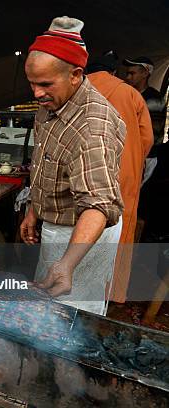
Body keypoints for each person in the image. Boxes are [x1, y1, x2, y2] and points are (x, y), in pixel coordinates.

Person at [20, 16, 126, 316]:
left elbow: (99, 205)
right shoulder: (51, 103)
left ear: (76, 75)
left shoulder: (93, 128)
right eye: (31, 83)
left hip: (84, 236)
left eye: (44, 84)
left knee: (72, 320)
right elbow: (45, 160)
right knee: (47, 311)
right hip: (58, 227)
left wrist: (67, 264)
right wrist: (34, 209)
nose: (36, 93)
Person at [87, 53, 154, 303]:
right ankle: (108, 293)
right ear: (112, 74)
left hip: (84, 173)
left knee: (79, 227)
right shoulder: (131, 94)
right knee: (118, 228)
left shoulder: (75, 89)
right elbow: (146, 139)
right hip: (122, 173)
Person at [123, 57, 167, 145]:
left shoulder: (154, 99)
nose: (127, 77)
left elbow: (153, 132)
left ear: (145, 73)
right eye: (127, 73)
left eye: (132, 73)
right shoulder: (128, 94)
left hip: (147, 153)